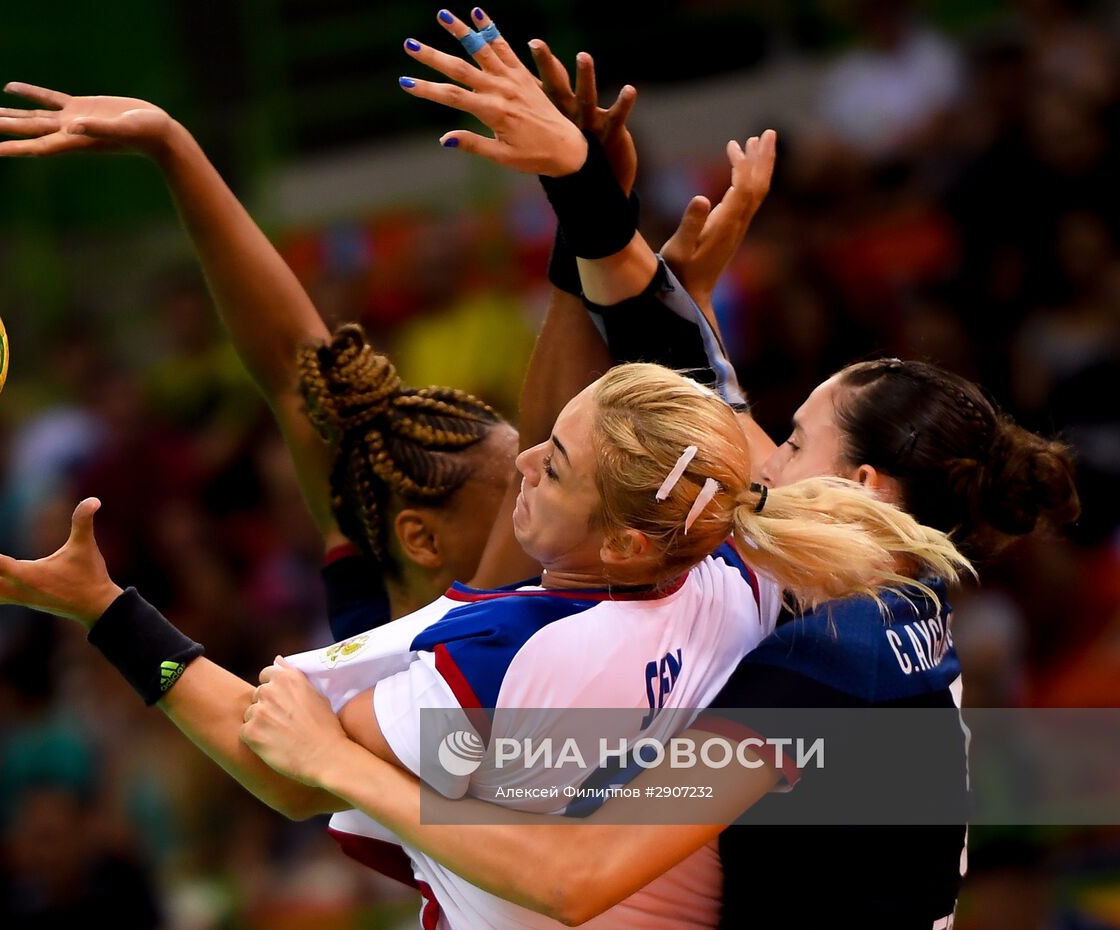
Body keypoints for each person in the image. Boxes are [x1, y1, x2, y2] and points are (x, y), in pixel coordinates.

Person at [233, 9, 1082, 929]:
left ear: (861, 489)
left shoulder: (827, 666)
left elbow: (575, 877)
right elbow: (699, 379)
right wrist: (582, 191)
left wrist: (337, 764)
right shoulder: (883, 603)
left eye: (794, 442)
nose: (763, 454)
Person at [0, 353, 968, 928]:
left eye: (549, 465)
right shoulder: (735, 579)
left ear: (616, 533)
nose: (524, 466)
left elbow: (276, 768)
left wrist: (106, 612)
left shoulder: (505, 659)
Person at [0, 61, 774, 633]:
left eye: (545, 471)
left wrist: (173, 148)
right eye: (533, 474)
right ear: (424, 541)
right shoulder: (475, 634)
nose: (540, 470)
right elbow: (548, 426)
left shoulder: (374, 591)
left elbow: (295, 369)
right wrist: (590, 213)